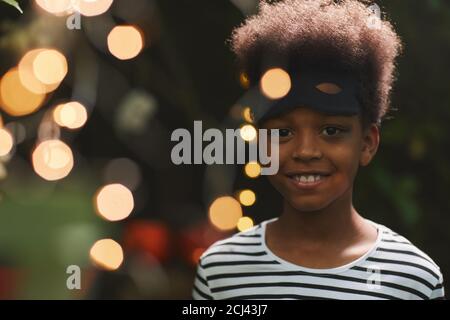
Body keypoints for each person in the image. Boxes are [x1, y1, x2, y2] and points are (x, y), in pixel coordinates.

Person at [192, 0, 445, 300]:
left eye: (331, 131)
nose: (306, 151)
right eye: (283, 132)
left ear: (367, 143)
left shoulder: (411, 277)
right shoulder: (220, 271)